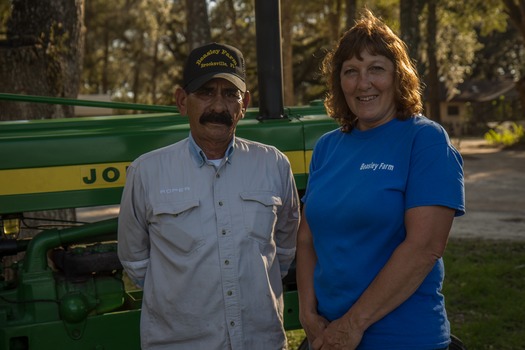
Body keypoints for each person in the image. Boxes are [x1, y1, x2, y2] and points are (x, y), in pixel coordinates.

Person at [296, 10, 465, 350]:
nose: (363, 83)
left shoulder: (425, 140)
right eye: (351, 72)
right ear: (339, 83)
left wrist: (352, 325)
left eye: (376, 69)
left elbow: (424, 248)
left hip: (403, 337)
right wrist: (307, 314)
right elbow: (306, 239)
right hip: (326, 335)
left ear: (398, 76)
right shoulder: (328, 147)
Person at [117, 42, 300, 350]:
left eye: (230, 94)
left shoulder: (274, 164)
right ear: (181, 100)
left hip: (260, 342)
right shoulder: (146, 172)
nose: (218, 106)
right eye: (205, 92)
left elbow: (284, 249)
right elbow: (135, 261)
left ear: (244, 104)